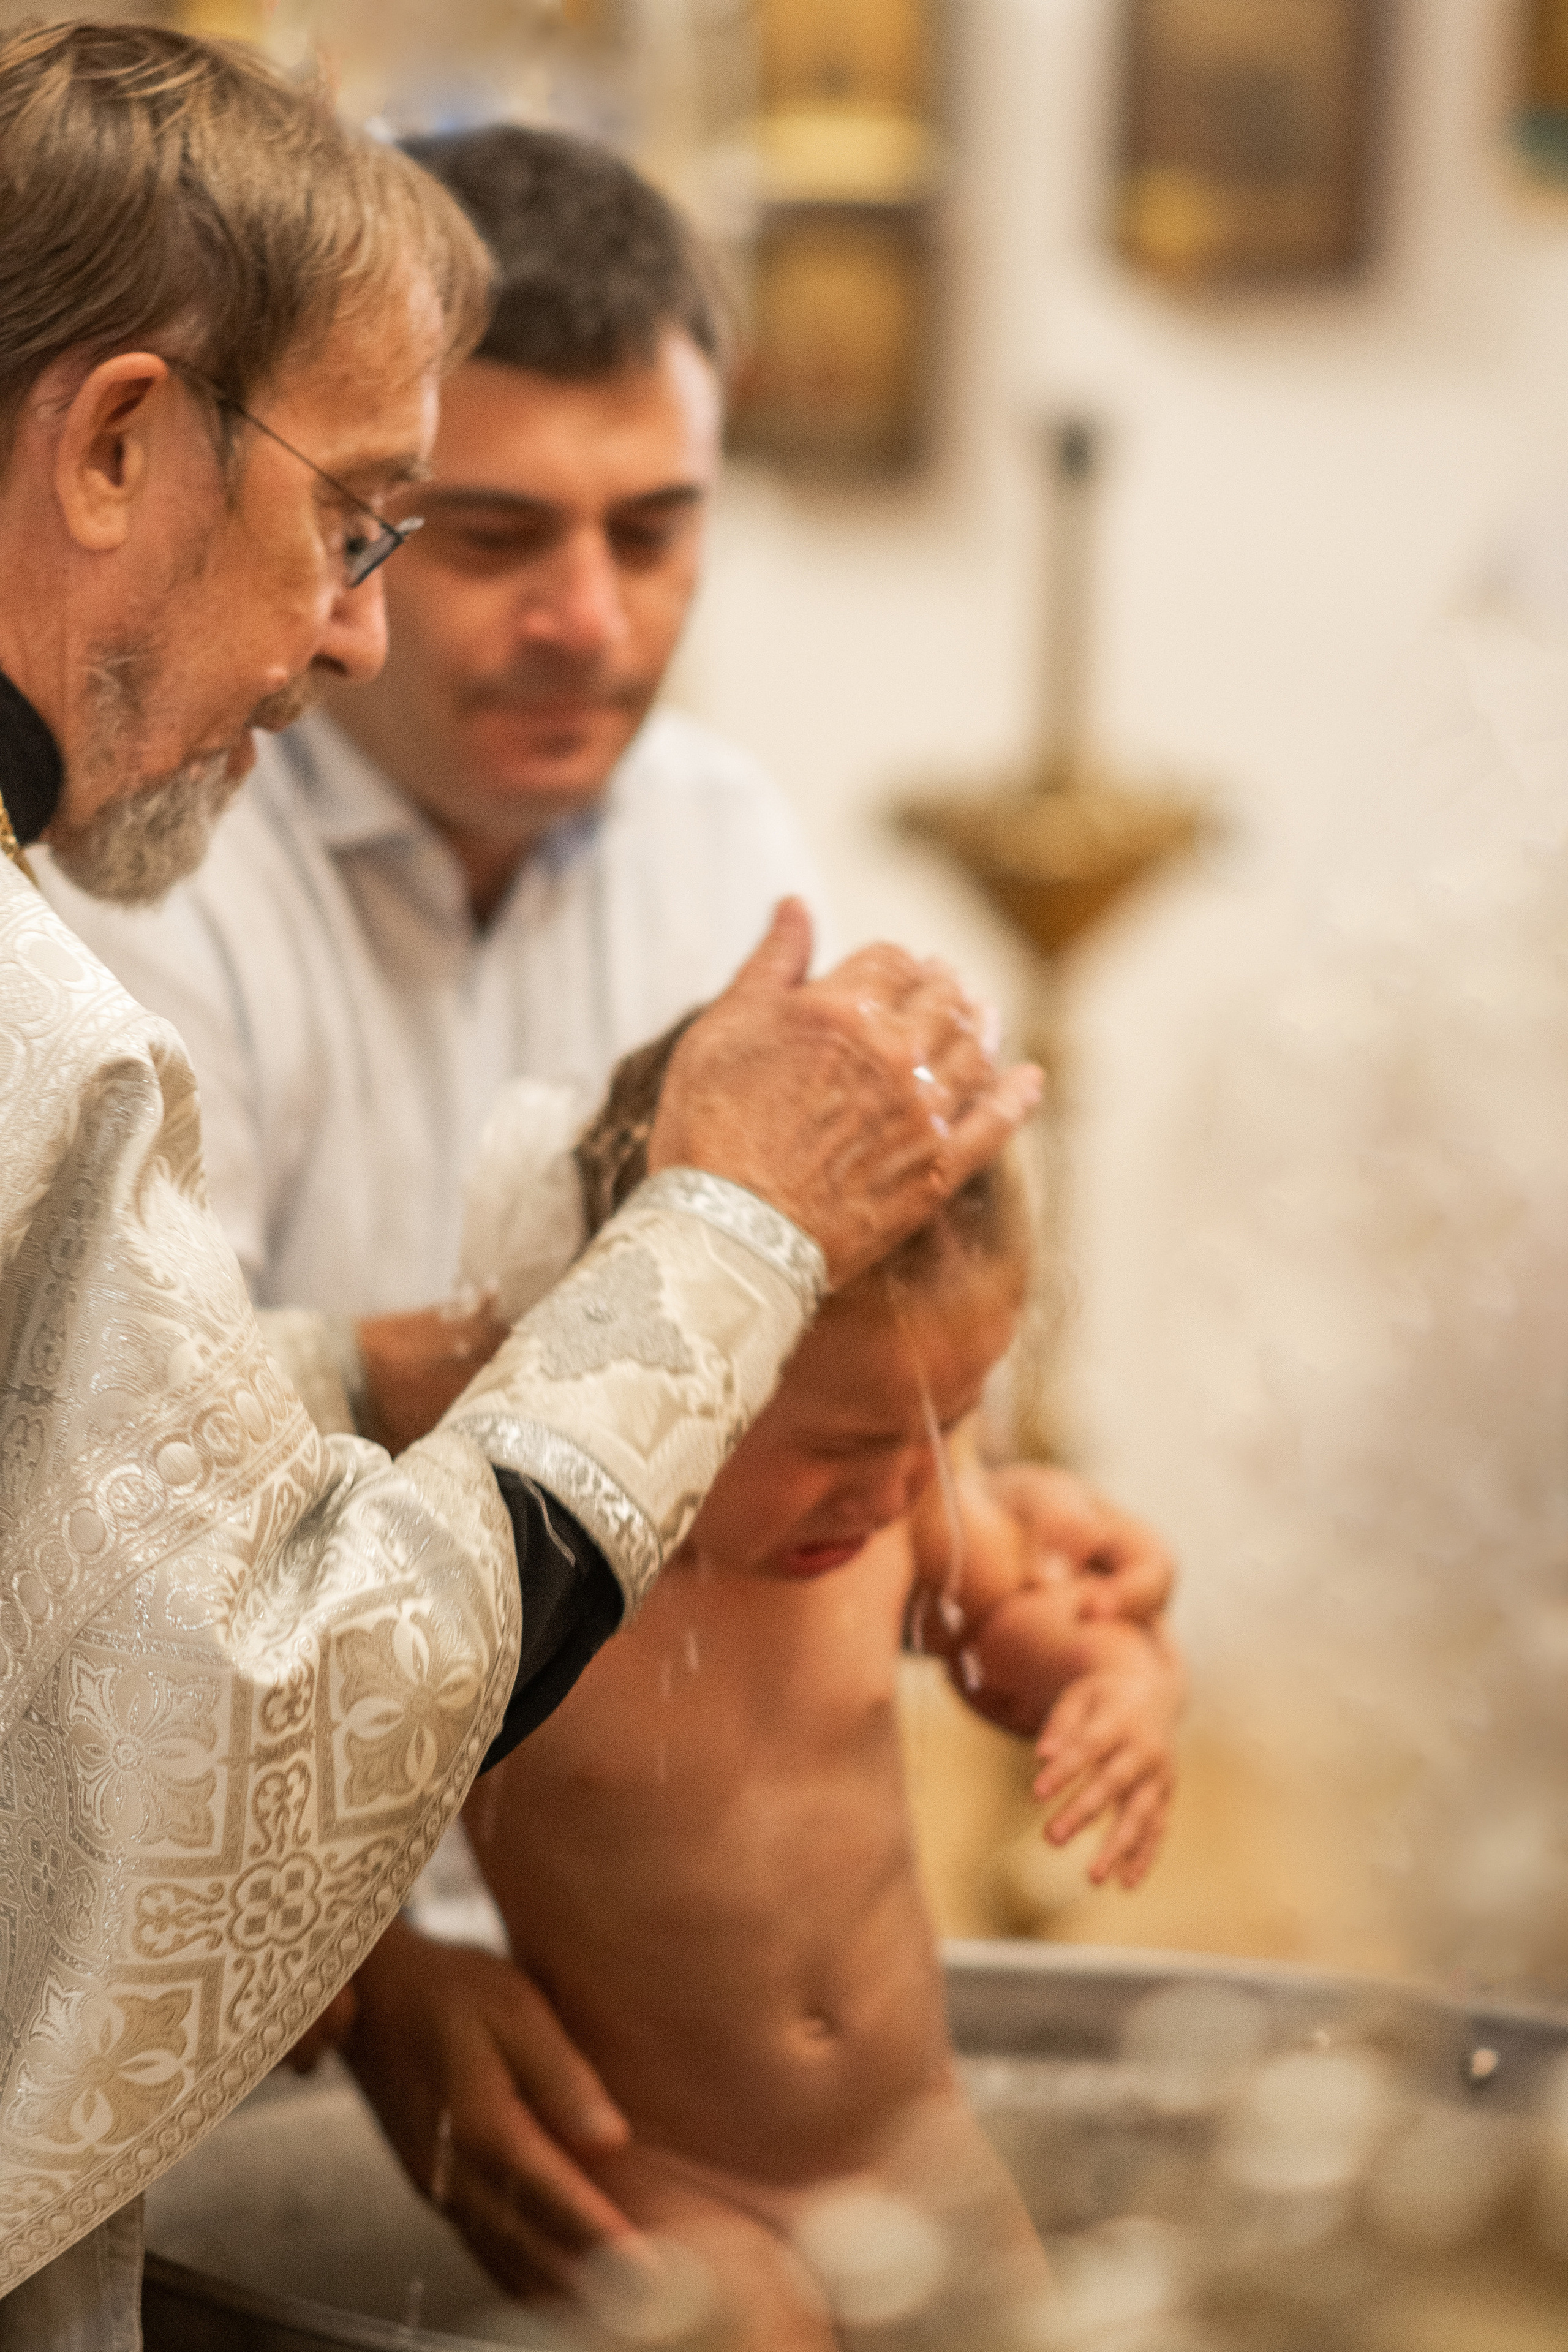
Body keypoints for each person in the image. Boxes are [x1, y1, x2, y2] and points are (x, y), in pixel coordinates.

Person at [37, 114, 1172, 2293]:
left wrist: (1021, 1524)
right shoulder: (154, 843)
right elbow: (114, 1548)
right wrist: (358, 1969)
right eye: (478, 536)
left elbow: (859, 1376)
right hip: (216, 1945)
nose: (590, 621)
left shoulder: (720, 835)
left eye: (658, 533)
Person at [345, 1034, 1182, 2348]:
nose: (902, 1490)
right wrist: (377, 1967)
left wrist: (1122, 1680)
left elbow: (1026, 1631)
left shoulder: (891, 1504)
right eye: (846, 1445)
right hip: (659, 2173)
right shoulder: (522, 1569)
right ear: (661, 1370)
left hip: (919, 2150)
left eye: (945, 1424)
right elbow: (276, 1789)